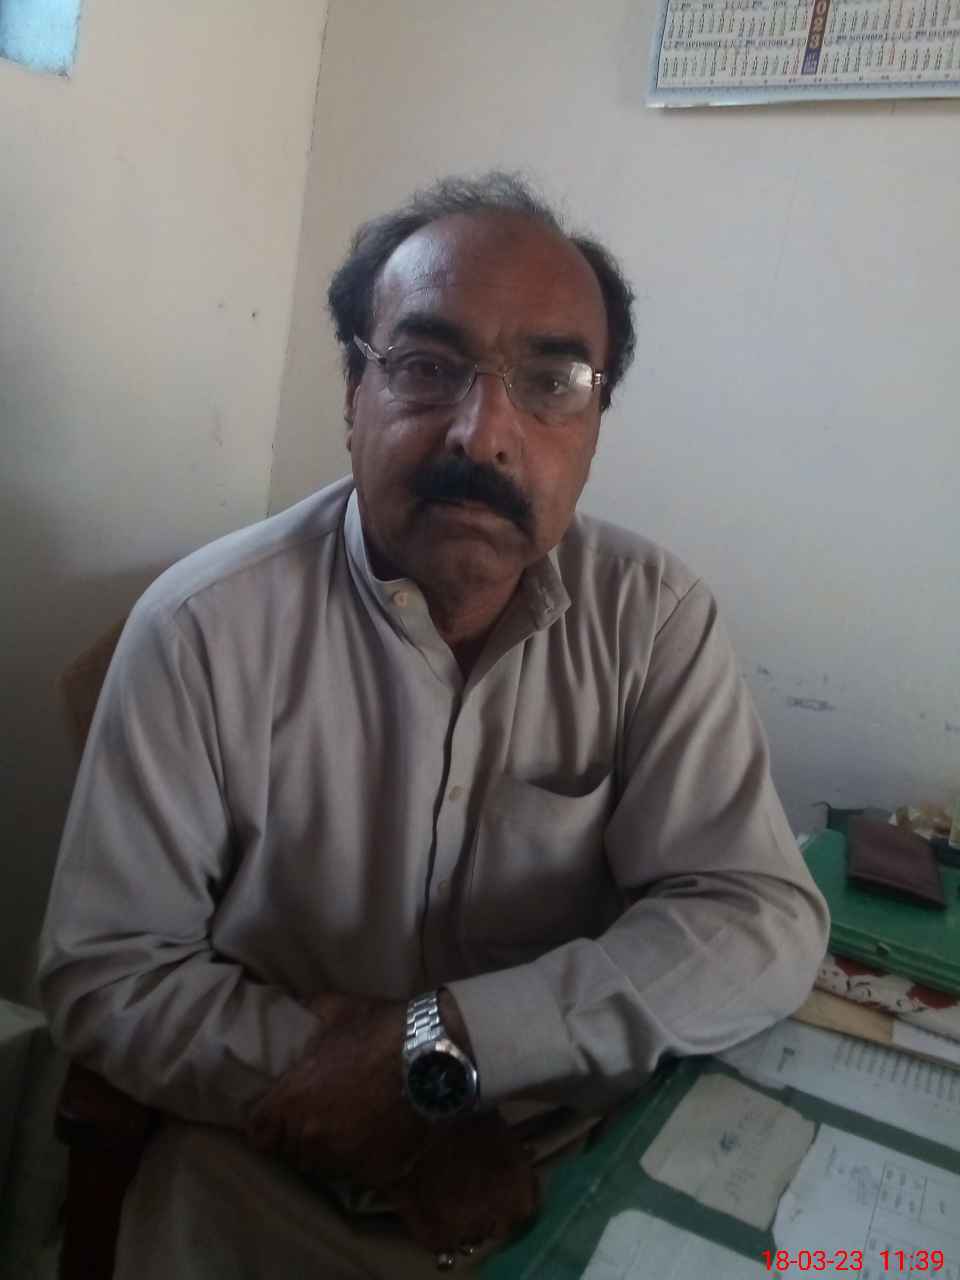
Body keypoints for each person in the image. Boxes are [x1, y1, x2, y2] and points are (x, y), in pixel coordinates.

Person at [39, 172, 829, 1278]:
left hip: (568, 1170)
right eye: (423, 366)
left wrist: (450, 1043)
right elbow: (109, 972)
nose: (483, 431)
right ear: (352, 393)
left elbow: (756, 916)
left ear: (595, 426)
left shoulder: (652, 618)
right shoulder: (199, 629)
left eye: (551, 381)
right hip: (268, 1165)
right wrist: (400, 1107)